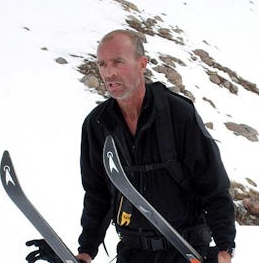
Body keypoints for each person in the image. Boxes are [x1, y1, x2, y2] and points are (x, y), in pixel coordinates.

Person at [76, 29, 236, 263]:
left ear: (142, 64)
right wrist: (87, 249)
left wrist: (225, 247)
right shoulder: (97, 124)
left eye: (118, 62)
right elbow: (97, 193)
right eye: (102, 64)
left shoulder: (178, 114)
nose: (109, 72)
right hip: (133, 250)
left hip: (186, 250)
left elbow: (213, 184)